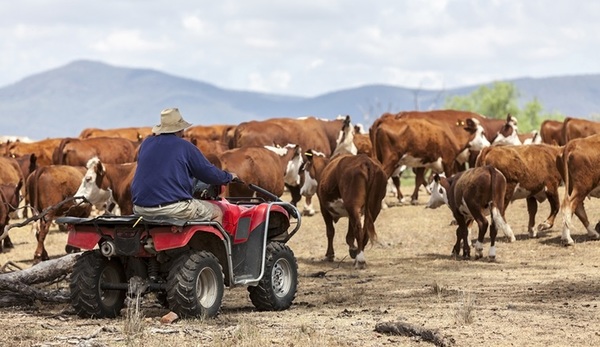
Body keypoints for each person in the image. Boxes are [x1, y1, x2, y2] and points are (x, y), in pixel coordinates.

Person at [131, 108, 237, 223]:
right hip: (173, 209)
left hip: (141, 209)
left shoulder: (146, 144)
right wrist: (229, 177)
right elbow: (208, 173)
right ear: (179, 129)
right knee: (217, 212)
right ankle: (220, 241)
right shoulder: (185, 146)